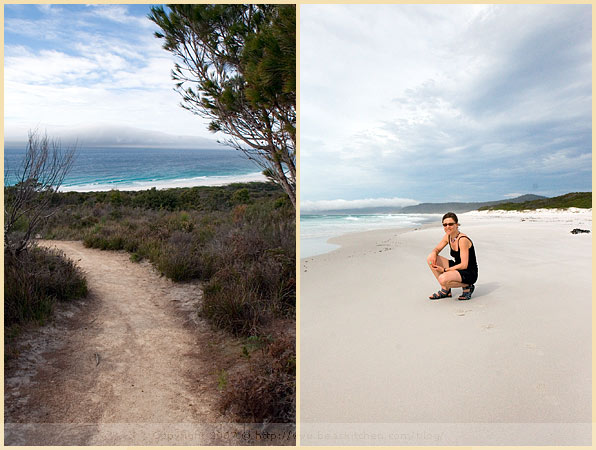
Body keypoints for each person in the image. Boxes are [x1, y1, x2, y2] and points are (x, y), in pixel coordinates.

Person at [426, 212, 478, 300]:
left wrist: (444, 270)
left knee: (442, 279)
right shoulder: (448, 237)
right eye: (445, 225)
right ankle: (446, 290)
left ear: (456, 225)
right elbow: (437, 249)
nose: (447, 227)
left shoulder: (462, 240)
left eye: (450, 224)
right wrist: (434, 253)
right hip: (457, 268)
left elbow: (464, 265)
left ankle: (468, 286)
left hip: (469, 272)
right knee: (430, 258)